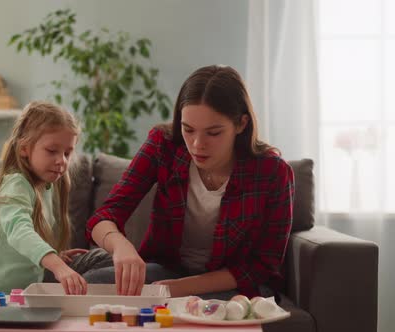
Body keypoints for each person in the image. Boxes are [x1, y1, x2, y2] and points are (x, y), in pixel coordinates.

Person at [84, 65, 295, 299]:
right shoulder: (163, 145)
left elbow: (263, 266)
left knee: (213, 310)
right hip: (167, 271)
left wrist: (177, 290)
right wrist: (121, 246)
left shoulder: (273, 172)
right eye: (188, 130)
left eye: (213, 133)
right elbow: (104, 217)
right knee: (88, 284)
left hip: (230, 284)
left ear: (241, 124)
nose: (197, 144)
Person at [0, 101, 89, 296]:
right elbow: (20, 232)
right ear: (24, 148)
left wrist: (55, 256)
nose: (62, 160)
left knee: (99, 259)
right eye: (52, 151)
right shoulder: (15, 184)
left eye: (68, 153)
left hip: (26, 293)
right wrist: (58, 266)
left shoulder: (46, 186)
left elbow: (27, 245)